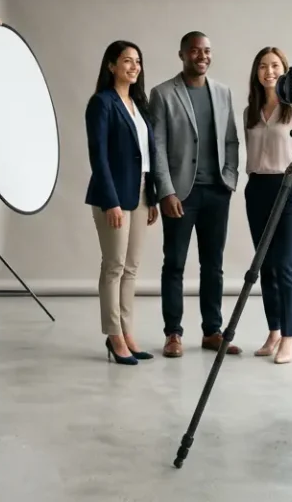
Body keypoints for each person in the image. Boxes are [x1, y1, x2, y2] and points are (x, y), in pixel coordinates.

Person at [149, 31, 241, 358]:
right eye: (194, 51)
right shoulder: (162, 93)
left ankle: (212, 332)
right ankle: (173, 333)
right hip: (180, 195)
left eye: (206, 51)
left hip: (217, 192)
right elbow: (156, 147)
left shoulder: (222, 92)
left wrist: (229, 179)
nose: (201, 56)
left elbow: (231, 140)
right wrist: (166, 191)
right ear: (182, 54)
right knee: (174, 264)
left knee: (213, 265)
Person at [84, 40, 160, 365]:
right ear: (111, 65)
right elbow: (98, 157)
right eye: (127, 60)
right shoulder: (101, 103)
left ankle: (128, 332)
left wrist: (153, 196)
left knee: (132, 269)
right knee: (113, 266)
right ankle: (114, 335)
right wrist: (111, 201)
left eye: (138, 61)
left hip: (141, 193)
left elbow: (148, 156)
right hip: (113, 195)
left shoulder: (140, 106)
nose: (133, 66)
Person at [242, 47, 292, 365]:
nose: (268, 71)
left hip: (290, 188)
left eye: (274, 66)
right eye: (262, 66)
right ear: (256, 73)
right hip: (257, 189)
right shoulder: (250, 110)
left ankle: (290, 337)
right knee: (265, 266)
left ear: (284, 70)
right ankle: (274, 331)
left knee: (285, 265)